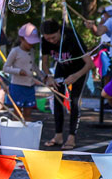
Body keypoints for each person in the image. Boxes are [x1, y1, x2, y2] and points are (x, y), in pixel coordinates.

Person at [40, 19, 94, 150]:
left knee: (74, 101)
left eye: (53, 37)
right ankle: (58, 136)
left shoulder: (73, 38)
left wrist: (75, 76)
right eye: (48, 39)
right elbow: (45, 63)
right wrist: (49, 76)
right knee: (57, 99)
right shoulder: (45, 41)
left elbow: (90, 64)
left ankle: (71, 137)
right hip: (61, 68)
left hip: (79, 70)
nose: (51, 41)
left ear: (59, 31)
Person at [3, 23, 40, 121]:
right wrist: (18, 71)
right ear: (22, 39)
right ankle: (15, 133)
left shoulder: (32, 51)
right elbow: (5, 68)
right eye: (29, 42)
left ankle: (26, 134)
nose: (31, 44)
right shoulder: (15, 51)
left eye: (33, 42)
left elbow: (34, 66)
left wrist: (43, 76)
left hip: (30, 87)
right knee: (17, 113)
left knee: (28, 113)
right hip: (17, 86)